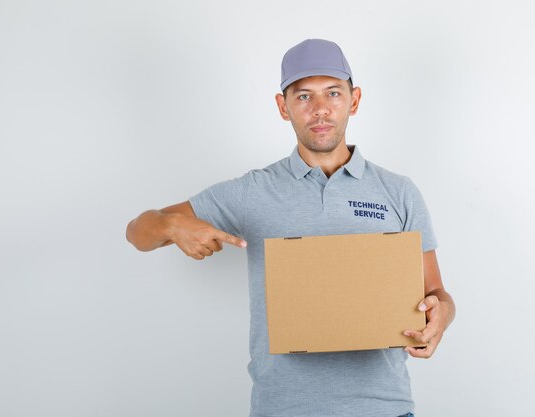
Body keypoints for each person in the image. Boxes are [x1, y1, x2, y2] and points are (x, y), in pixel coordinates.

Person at [126, 38, 455, 417]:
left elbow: (435, 293)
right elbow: (138, 233)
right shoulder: (253, 191)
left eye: (333, 93)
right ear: (283, 107)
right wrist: (171, 225)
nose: (320, 109)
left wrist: (441, 316)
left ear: (355, 100)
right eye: (303, 96)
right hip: (283, 408)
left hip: (384, 409)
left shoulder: (398, 192)